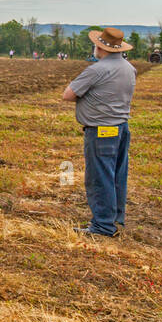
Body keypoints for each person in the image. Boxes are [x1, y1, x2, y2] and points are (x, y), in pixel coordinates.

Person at [61, 27, 136, 237]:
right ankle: (114, 218)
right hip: (121, 127)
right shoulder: (129, 68)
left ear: (100, 47)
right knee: (116, 176)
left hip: (101, 130)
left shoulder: (97, 70)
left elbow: (68, 94)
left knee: (99, 177)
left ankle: (102, 227)